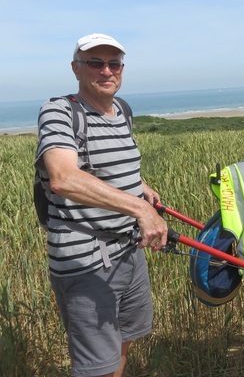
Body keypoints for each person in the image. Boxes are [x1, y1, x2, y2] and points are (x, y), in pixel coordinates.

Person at [35, 33, 168, 377]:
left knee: (123, 341)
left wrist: (141, 187)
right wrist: (140, 210)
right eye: (95, 62)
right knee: (98, 363)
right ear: (76, 69)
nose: (106, 70)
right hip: (87, 258)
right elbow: (63, 177)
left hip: (129, 249)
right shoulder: (60, 111)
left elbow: (108, 166)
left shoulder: (122, 109)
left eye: (114, 63)